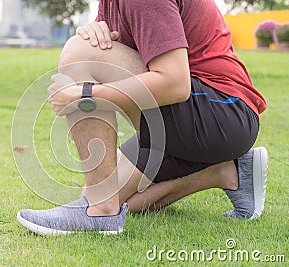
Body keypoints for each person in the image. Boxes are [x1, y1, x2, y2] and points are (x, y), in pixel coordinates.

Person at [17, 0, 268, 235]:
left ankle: (100, 213)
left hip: (221, 114)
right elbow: (110, 49)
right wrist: (91, 31)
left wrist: (85, 94)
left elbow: (174, 83)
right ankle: (225, 171)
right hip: (205, 122)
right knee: (120, 196)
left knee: (79, 53)